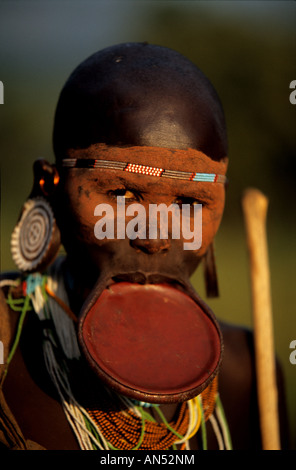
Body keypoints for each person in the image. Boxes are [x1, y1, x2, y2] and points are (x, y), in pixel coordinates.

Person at [0, 42, 288, 450]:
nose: (153, 236)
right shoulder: (6, 347)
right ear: (50, 187)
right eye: (121, 194)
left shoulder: (249, 372)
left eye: (190, 203)